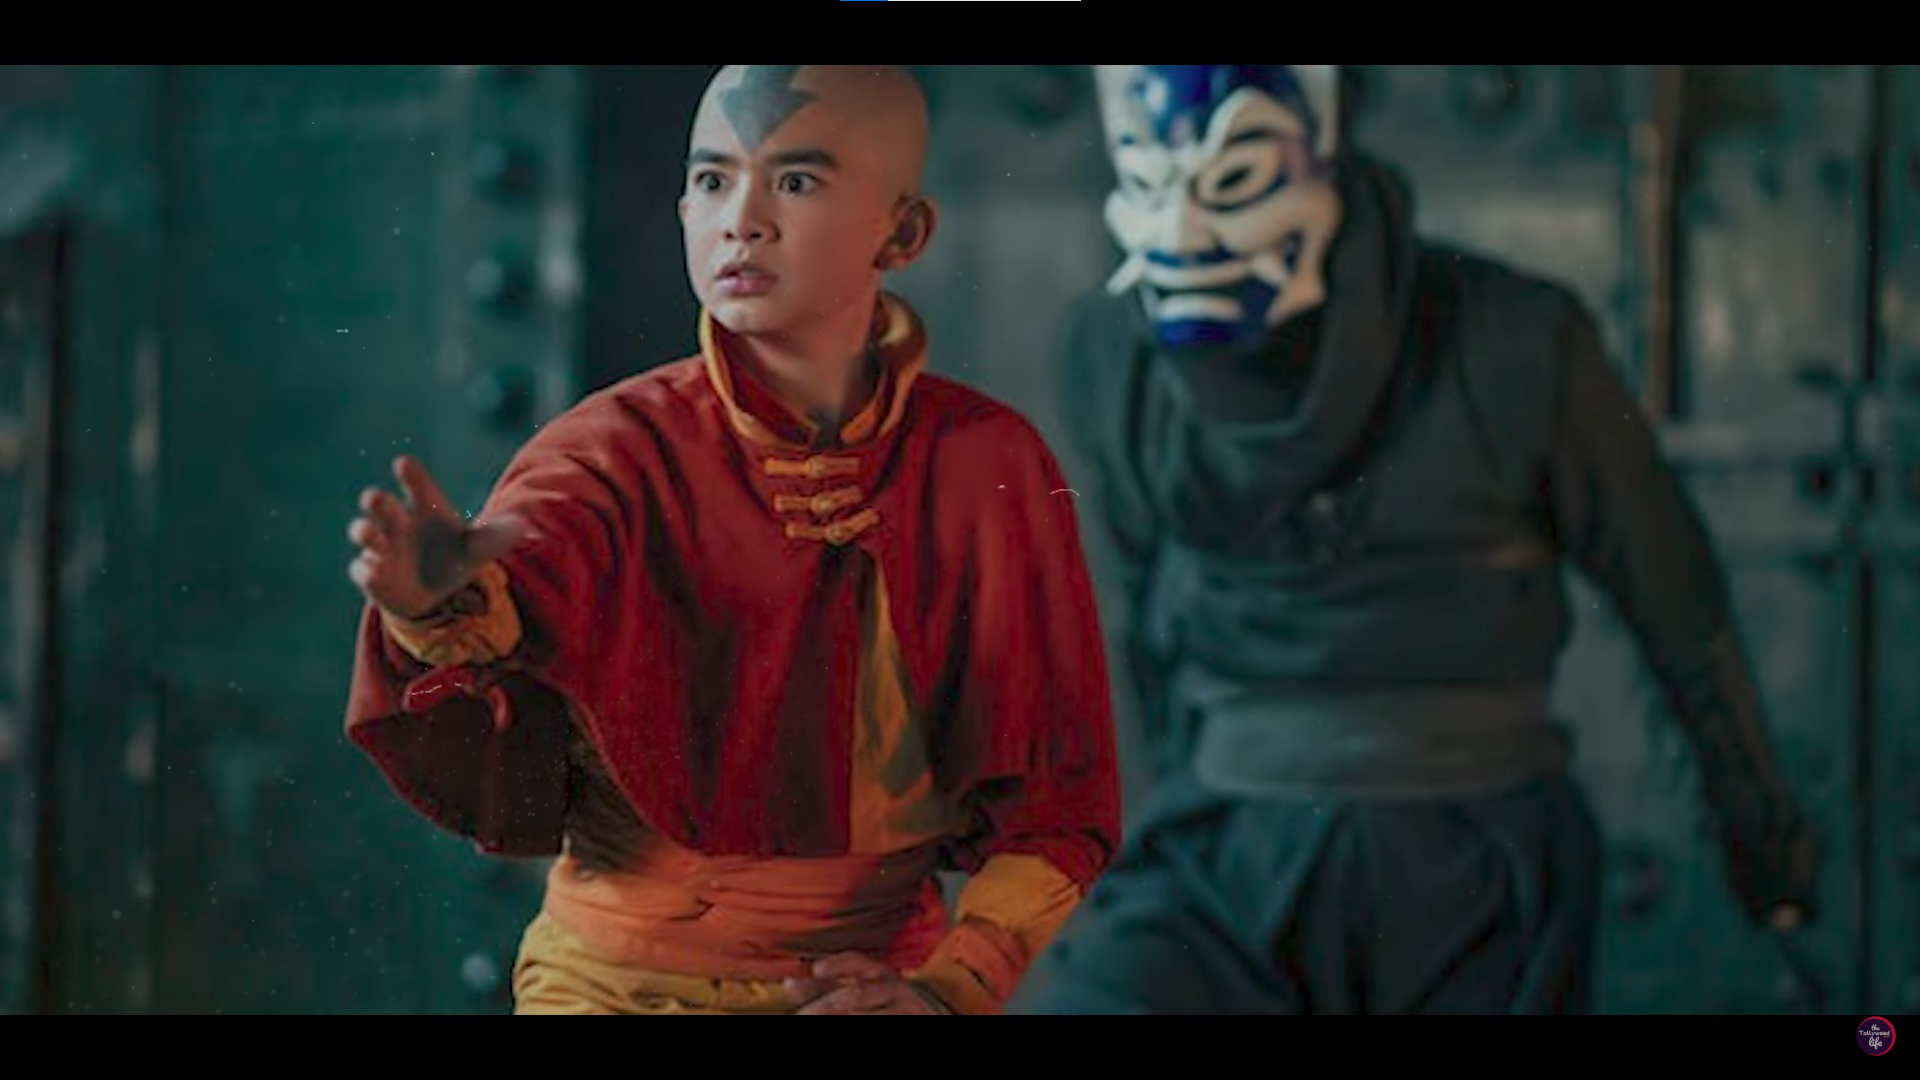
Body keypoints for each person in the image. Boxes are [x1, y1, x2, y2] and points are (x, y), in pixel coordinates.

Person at [1011, 64, 1819, 1015]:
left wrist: (1765, 852)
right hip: (1233, 856)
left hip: (1469, 864)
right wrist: (1771, 859)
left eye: (1232, 177)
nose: (1185, 228)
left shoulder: (1515, 339)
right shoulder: (1112, 355)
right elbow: (1150, 615)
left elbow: (1675, 601)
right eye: (1155, 176)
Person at [341, 64, 1120, 1016]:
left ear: (904, 232)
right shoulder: (608, 450)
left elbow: (1056, 805)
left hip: (871, 986)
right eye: (712, 180)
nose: (741, 221)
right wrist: (438, 608)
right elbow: (527, 577)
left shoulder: (985, 462)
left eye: (796, 181)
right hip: (614, 984)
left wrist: (947, 990)